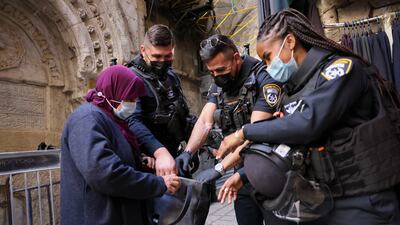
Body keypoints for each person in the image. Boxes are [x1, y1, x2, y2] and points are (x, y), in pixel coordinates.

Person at [216, 9, 400, 225]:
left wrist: (244, 132)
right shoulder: (293, 90)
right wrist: (244, 175)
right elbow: (287, 143)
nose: (268, 67)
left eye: (268, 57)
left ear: (290, 41)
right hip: (325, 202)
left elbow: (307, 124)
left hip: (363, 201)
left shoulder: (341, 70)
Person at [179, 34, 283, 225]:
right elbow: (204, 121)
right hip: (240, 176)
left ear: (236, 58)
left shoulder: (264, 78)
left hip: (268, 172)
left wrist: (220, 168)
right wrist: (188, 152)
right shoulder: (218, 86)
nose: (217, 76)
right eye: (212, 72)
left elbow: (256, 133)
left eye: (221, 69)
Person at [60, 65, 181, 225]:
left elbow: (114, 156)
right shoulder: (87, 119)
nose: (133, 104)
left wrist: (140, 161)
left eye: (135, 99)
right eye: (129, 98)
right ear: (113, 91)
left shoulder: (110, 119)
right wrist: (158, 184)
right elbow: (103, 173)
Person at [125, 24, 196, 176]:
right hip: (150, 162)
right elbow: (132, 122)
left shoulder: (171, 75)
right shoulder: (130, 78)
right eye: (157, 57)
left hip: (176, 155)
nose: (162, 62)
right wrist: (160, 153)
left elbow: (181, 112)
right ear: (143, 50)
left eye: (168, 56)